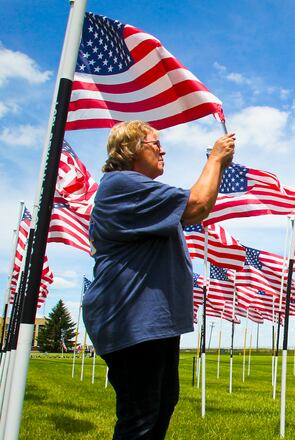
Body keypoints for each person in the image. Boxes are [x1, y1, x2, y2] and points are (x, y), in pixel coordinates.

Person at [83, 120, 235, 439]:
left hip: (151, 322)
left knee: (161, 405)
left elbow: (195, 207)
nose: (163, 149)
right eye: (155, 144)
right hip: (133, 320)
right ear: (131, 149)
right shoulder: (122, 184)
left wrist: (217, 166)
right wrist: (216, 159)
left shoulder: (137, 190)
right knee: (140, 417)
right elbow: (196, 206)